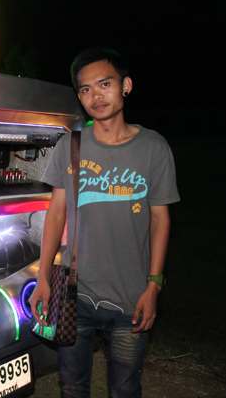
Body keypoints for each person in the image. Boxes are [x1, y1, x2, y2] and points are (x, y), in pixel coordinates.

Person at [29, 47, 180, 398]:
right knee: (72, 386)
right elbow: (56, 213)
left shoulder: (153, 148)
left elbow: (160, 218)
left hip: (132, 297)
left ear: (126, 86)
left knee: (125, 388)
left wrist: (154, 286)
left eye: (105, 84)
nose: (95, 96)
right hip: (75, 294)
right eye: (85, 89)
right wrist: (43, 277)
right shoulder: (70, 145)